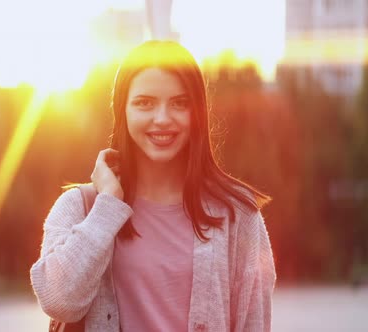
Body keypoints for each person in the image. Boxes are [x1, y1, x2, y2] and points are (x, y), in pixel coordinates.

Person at [30, 40, 276, 332]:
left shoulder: (239, 216)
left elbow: (254, 324)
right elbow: (59, 301)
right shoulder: (80, 207)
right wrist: (107, 206)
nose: (162, 119)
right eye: (144, 103)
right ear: (123, 109)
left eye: (179, 103)